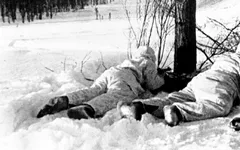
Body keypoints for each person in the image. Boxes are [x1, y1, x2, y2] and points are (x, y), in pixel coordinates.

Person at [118, 40, 240, 126]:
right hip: (219, 85)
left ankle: (140, 106)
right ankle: (177, 112)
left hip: (200, 80)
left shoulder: (225, 57)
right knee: (220, 105)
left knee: (175, 96)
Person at [37, 46, 165, 120]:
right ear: (151, 56)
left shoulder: (131, 60)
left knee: (93, 90)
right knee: (115, 95)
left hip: (111, 72)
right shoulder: (148, 62)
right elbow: (153, 84)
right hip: (127, 78)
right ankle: (88, 108)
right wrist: (162, 78)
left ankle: (64, 100)